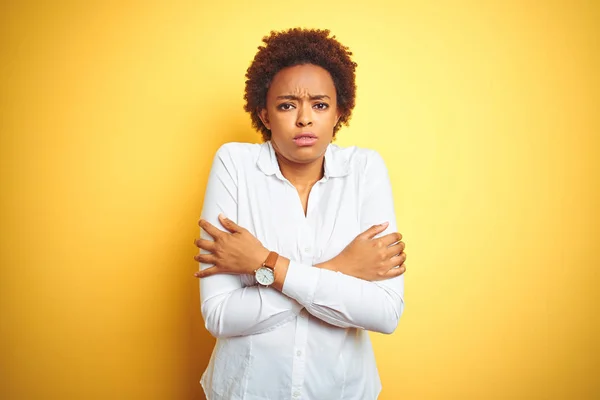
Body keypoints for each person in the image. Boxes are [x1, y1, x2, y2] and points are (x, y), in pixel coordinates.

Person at [193, 28, 407, 400]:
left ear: (340, 111)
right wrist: (342, 267)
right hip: (246, 390)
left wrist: (265, 264)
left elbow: (384, 313)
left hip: (341, 391)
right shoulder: (235, 165)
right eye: (287, 105)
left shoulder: (365, 170)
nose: (304, 119)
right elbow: (221, 315)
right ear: (264, 112)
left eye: (320, 105)